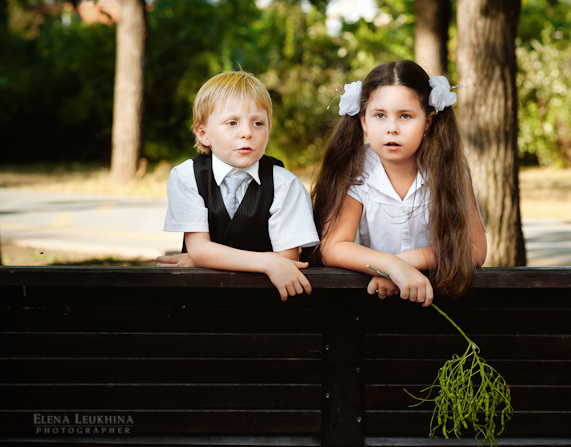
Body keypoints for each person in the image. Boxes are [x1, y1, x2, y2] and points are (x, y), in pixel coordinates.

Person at [311, 60, 487, 308]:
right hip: (371, 302)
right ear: (363, 121)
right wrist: (391, 266)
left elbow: (475, 249)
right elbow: (334, 247)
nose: (391, 128)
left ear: (428, 121)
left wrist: (406, 262)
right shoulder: (355, 170)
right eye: (379, 115)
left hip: (442, 298)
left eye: (405, 116)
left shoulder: (447, 169)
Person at [159, 71, 319, 302]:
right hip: (201, 299)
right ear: (203, 133)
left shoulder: (285, 184)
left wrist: (203, 261)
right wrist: (266, 261)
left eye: (258, 123)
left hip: (266, 302)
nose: (247, 133)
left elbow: (285, 261)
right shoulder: (186, 176)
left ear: (269, 130)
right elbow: (200, 249)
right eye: (232, 123)